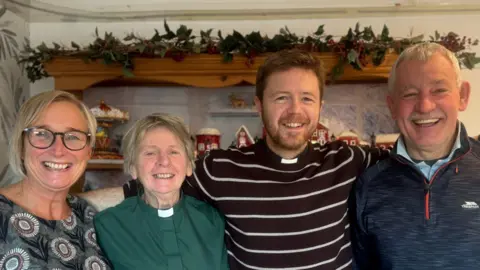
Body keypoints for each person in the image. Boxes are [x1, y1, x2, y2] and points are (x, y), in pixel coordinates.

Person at [81, 49, 389, 269]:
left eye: (307, 98)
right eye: (281, 98)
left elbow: (414, 160)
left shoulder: (349, 161)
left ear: (320, 106)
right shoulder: (220, 169)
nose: (295, 111)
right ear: (259, 105)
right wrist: (62, 203)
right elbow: (153, 182)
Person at [351, 42, 480, 269]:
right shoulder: (369, 185)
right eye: (410, 94)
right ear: (392, 106)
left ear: (463, 96)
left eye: (439, 90)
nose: (425, 105)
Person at [94, 113, 229, 269]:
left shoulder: (212, 221)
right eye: (150, 153)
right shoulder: (106, 226)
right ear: (133, 168)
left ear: (189, 165)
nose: (164, 161)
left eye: (173, 152)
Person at [0, 91, 111, 269]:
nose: (58, 150)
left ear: (88, 151)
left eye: (73, 136)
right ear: (21, 145)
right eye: (42, 133)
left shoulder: (88, 214)